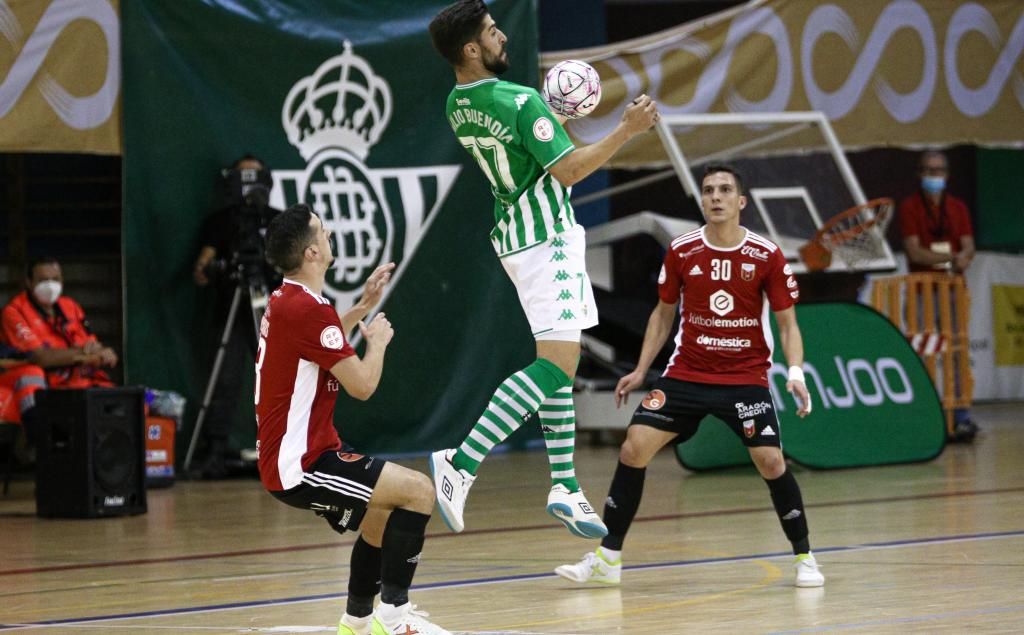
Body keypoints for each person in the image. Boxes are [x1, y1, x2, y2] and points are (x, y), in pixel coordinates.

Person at [427, 0, 660, 537]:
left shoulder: (457, 103)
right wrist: (627, 128)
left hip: (515, 235)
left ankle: (565, 485)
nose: (502, 37)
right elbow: (571, 169)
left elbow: (526, 151)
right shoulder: (518, 98)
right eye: (491, 32)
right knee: (555, 367)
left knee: (560, 363)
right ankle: (460, 464)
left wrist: (549, 119)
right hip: (546, 238)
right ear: (471, 49)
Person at [556, 164, 825, 588]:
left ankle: (805, 556)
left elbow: (788, 324)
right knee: (633, 448)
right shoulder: (682, 251)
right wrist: (642, 369)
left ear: (741, 202)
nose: (715, 197)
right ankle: (608, 559)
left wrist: (795, 373)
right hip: (686, 375)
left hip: (744, 379)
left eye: (724, 190)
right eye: (707, 191)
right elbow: (662, 315)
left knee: (771, 461)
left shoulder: (766, 254)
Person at [258, 204, 450, 635]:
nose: (329, 237)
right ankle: (395, 618)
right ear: (310, 253)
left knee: (381, 513)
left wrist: (363, 306)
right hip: (302, 465)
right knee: (419, 491)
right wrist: (378, 342)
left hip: (301, 456)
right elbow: (362, 385)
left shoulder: (287, 300)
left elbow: (321, 343)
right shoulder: (309, 310)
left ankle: (357, 621)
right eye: (323, 232)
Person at [191, 154, 281, 478]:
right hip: (231, 307)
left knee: (276, 378)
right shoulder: (220, 221)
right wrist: (208, 269)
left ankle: (285, 449)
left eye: (254, 177)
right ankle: (214, 450)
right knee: (225, 379)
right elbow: (202, 268)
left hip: (269, 308)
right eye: (242, 177)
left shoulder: (277, 220)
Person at [898, 149, 977, 441]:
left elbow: (968, 245)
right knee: (923, 348)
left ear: (947, 174)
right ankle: (926, 412)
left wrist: (963, 258)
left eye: (939, 171)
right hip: (923, 291)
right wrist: (947, 261)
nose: (935, 176)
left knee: (957, 348)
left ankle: (961, 414)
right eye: (929, 171)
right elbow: (914, 250)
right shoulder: (910, 207)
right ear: (920, 174)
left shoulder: (957, 207)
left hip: (953, 289)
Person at [1, 256, 118, 391]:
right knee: (31, 375)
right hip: (44, 384)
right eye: (43, 280)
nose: (50, 286)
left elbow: (93, 347)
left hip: (80, 382)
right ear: (29, 282)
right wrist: (84, 352)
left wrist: (103, 353)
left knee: (141, 402)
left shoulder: (71, 306)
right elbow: (40, 358)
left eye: (55, 279)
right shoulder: (15, 311)